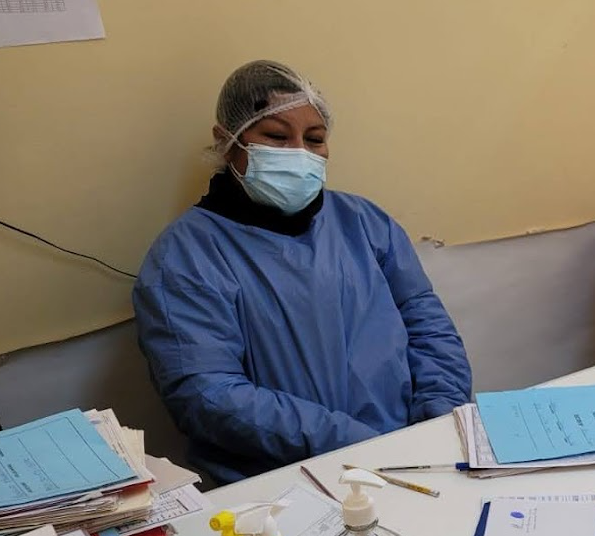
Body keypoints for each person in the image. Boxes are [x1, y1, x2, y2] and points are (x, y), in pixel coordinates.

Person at [134, 60, 471, 484]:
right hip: (281, 486)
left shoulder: (364, 222)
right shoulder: (186, 257)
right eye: (276, 136)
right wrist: (354, 442)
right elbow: (207, 395)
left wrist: (437, 418)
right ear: (227, 141)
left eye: (314, 139)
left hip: (409, 454)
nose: (298, 152)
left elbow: (426, 324)